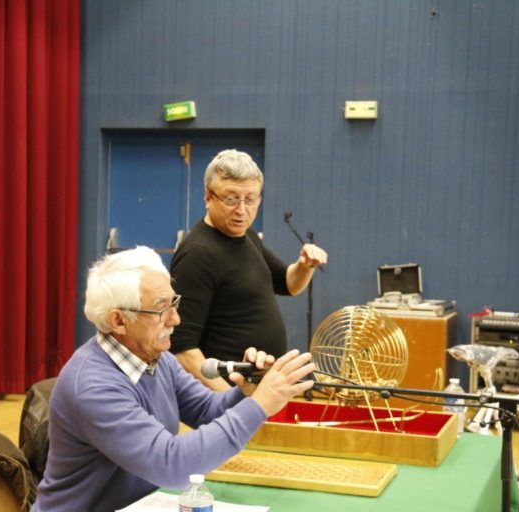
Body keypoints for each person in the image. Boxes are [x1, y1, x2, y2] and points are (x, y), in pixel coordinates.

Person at [32, 246, 315, 511]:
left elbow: (208, 410)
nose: (175, 319)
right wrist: (261, 404)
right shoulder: (92, 386)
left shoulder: (157, 357)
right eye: (161, 309)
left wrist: (248, 392)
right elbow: (173, 465)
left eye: (174, 303)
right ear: (118, 321)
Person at [170, 149, 328, 390]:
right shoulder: (197, 253)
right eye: (231, 199)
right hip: (225, 399)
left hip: (255, 393)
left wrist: (305, 266)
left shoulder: (245, 235)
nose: (242, 210)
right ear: (208, 197)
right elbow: (182, 350)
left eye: (250, 199)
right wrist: (229, 402)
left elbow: (288, 283)